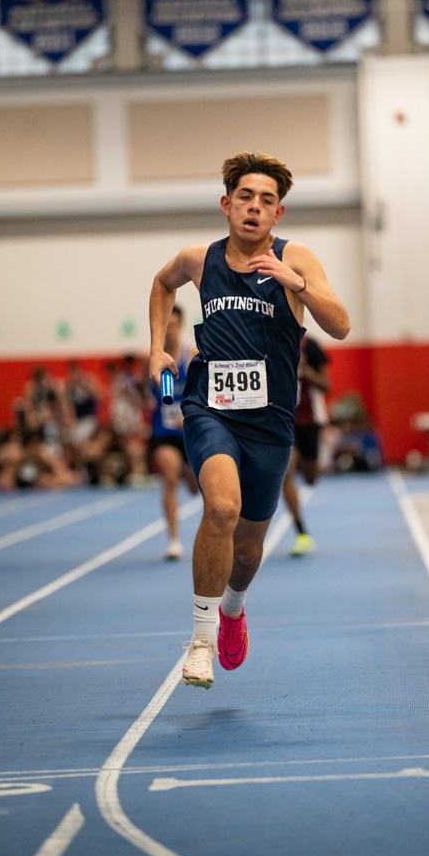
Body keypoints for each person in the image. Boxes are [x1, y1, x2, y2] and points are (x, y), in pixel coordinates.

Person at [149, 151, 350, 688]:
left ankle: (233, 608)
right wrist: (157, 348)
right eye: (245, 197)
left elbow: (341, 325)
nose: (254, 207)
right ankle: (200, 641)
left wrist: (296, 283)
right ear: (226, 204)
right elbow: (162, 284)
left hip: (271, 422)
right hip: (209, 409)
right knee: (221, 507)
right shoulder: (199, 259)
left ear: (278, 213)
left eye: (266, 200)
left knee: (248, 548)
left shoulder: (296, 257)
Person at [147, 304, 198, 561]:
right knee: (169, 476)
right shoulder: (152, 359)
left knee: (195, 488)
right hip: (164, 430)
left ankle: (189, 470)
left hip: (190, 428)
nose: (169, 332)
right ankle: (174, 540)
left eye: (174, 326)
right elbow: (149, 393)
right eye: (165, 327)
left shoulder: (192, 355)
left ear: (180, 327)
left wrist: (188, 414)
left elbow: (203, 392)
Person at [281, 334, 330, 555]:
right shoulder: (272, 340)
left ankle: (303, 465)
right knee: (286, 471)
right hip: (285, 421)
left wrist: (305, 369)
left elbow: (326, 385)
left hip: (310, 422)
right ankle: (301, 532)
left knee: (311, 477)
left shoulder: (310, 345)